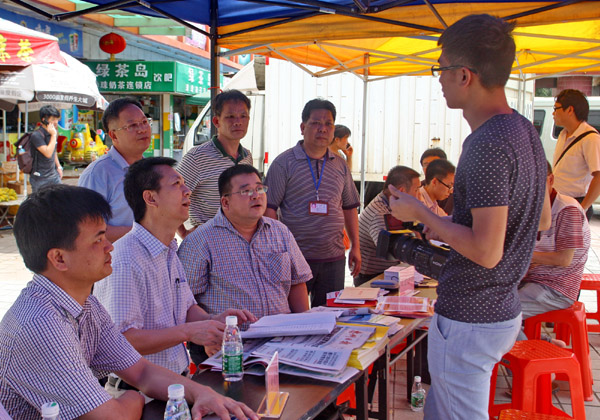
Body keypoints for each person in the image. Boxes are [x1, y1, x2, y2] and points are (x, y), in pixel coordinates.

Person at [388, 15, 547, 420]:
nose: (438, 79)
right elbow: (542, 218)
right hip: (497, 309)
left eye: (441, 69)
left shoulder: (487, 143)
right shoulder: (524, 130)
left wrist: (420, 212)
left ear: (464, 75)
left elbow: (486, 250)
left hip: (471, 316)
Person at [0, 184, 257, 420]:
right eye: (98, 240)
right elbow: (115, 417)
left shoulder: (85, 305)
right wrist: (133, 396)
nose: (110, 246)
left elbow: (141, 371)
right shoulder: (40, 325)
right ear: (59, 259)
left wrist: (201, 393)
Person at [93, 157, 255, 390]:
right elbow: (124, 340)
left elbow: (187, 307)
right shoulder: (127, 257)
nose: (188, 191)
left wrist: (212, 322)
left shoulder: (169, 248)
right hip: (138, 394)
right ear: (150, 198)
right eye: (176, 184)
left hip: (174, 384)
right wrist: (189, 332)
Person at [179, 164, 312, 363]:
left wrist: (305, 330)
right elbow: (185, 302)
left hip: (282, 342)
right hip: (228, 347)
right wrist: (207, 335)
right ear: (225, 202)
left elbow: (296, 283)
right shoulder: (200, 241)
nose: (256, 195)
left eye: (259, 188)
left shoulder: (280, 232)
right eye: (245, 191)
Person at [264, 99, 361, 307]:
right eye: (316, 123)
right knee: (292, 319)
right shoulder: (284, 163)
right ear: (302, 127)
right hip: (294, 258)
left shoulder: (340, 164)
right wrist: (280, 250)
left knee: (329, 316)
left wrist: (355, 246)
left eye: (328, 124)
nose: (323, 129)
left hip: (333, 258)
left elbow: (350, 207)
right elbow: (269, 208)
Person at [516, 161, 590, 342]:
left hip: (556, 288)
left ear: (550, 180)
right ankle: (541, 343)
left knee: (495, 312)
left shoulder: (567, 209)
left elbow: (564, 259)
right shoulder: (532, 208)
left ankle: (524, 361)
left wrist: (522, 255)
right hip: (533, 279)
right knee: (486, 301)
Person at [177, 90, 254, 238]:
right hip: (207, 242)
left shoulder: (247, 157)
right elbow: (171, 198)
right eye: (230, 117)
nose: (238, 121)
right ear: (216, 121)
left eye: (243, 116)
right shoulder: (196, 157)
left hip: (239, 239)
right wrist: (184, 233)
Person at [79, 97, 151, 243]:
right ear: (113, 135)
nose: (142, 129)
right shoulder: (98, 174)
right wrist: (146, 232)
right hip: (114, 262)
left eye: (144, 122)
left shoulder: (151, 169)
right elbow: (88, 229)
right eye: (132, 126)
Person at [354, 165, 421, 286]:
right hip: (373, 278)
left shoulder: (392, 205)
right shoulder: (380, 213)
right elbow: (388, 250)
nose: (418, 196)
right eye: (416, 190)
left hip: (390, 272)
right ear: (401, 191)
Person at [552, 89, 600, 220]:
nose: (553, 113)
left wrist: (582, 208)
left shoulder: (590, 138)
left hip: (576, 203)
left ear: (570, 110)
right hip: (558, 202)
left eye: (556, 109)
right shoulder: (563, 134)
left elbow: (598, 176)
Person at [29, 105, 63, 193]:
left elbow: (53, 151)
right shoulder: (37, 135)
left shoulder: (52, 133)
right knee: (41, 205)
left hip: (54, 176)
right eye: (53, 119)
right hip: (40, 178)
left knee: (59, 202)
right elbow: (48, 153)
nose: (56, 122)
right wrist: (53, 135)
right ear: (44, 120)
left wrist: (59, 167)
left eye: (56, 119)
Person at [420, 147, 454, 214]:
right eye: (426, 165)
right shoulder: (416, 195)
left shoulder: (452, 192)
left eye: (434, 165)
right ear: (434, 182)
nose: (429, 168)